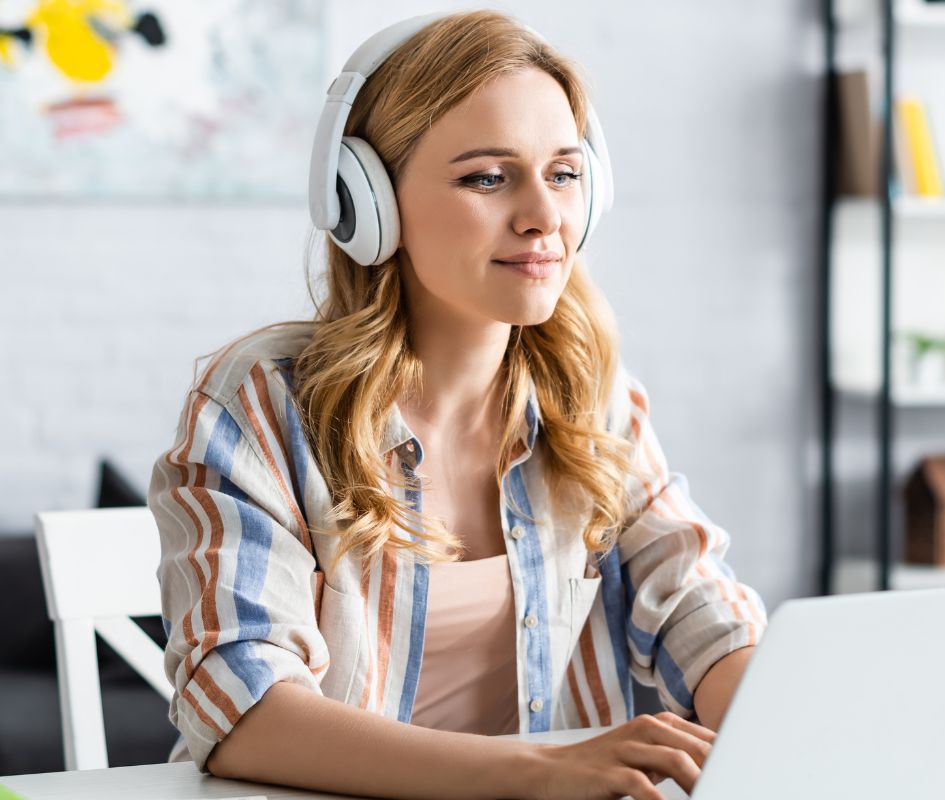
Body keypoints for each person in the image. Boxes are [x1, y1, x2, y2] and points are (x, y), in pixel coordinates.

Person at [148, 11, 765, 799]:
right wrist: (534, 773)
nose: (545, 215)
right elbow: (240, 708)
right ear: (366, 203)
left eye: (565, 172)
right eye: (487, 176)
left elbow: (698, 613)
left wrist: (794, 734)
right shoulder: (262, 404)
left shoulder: (587, 394)